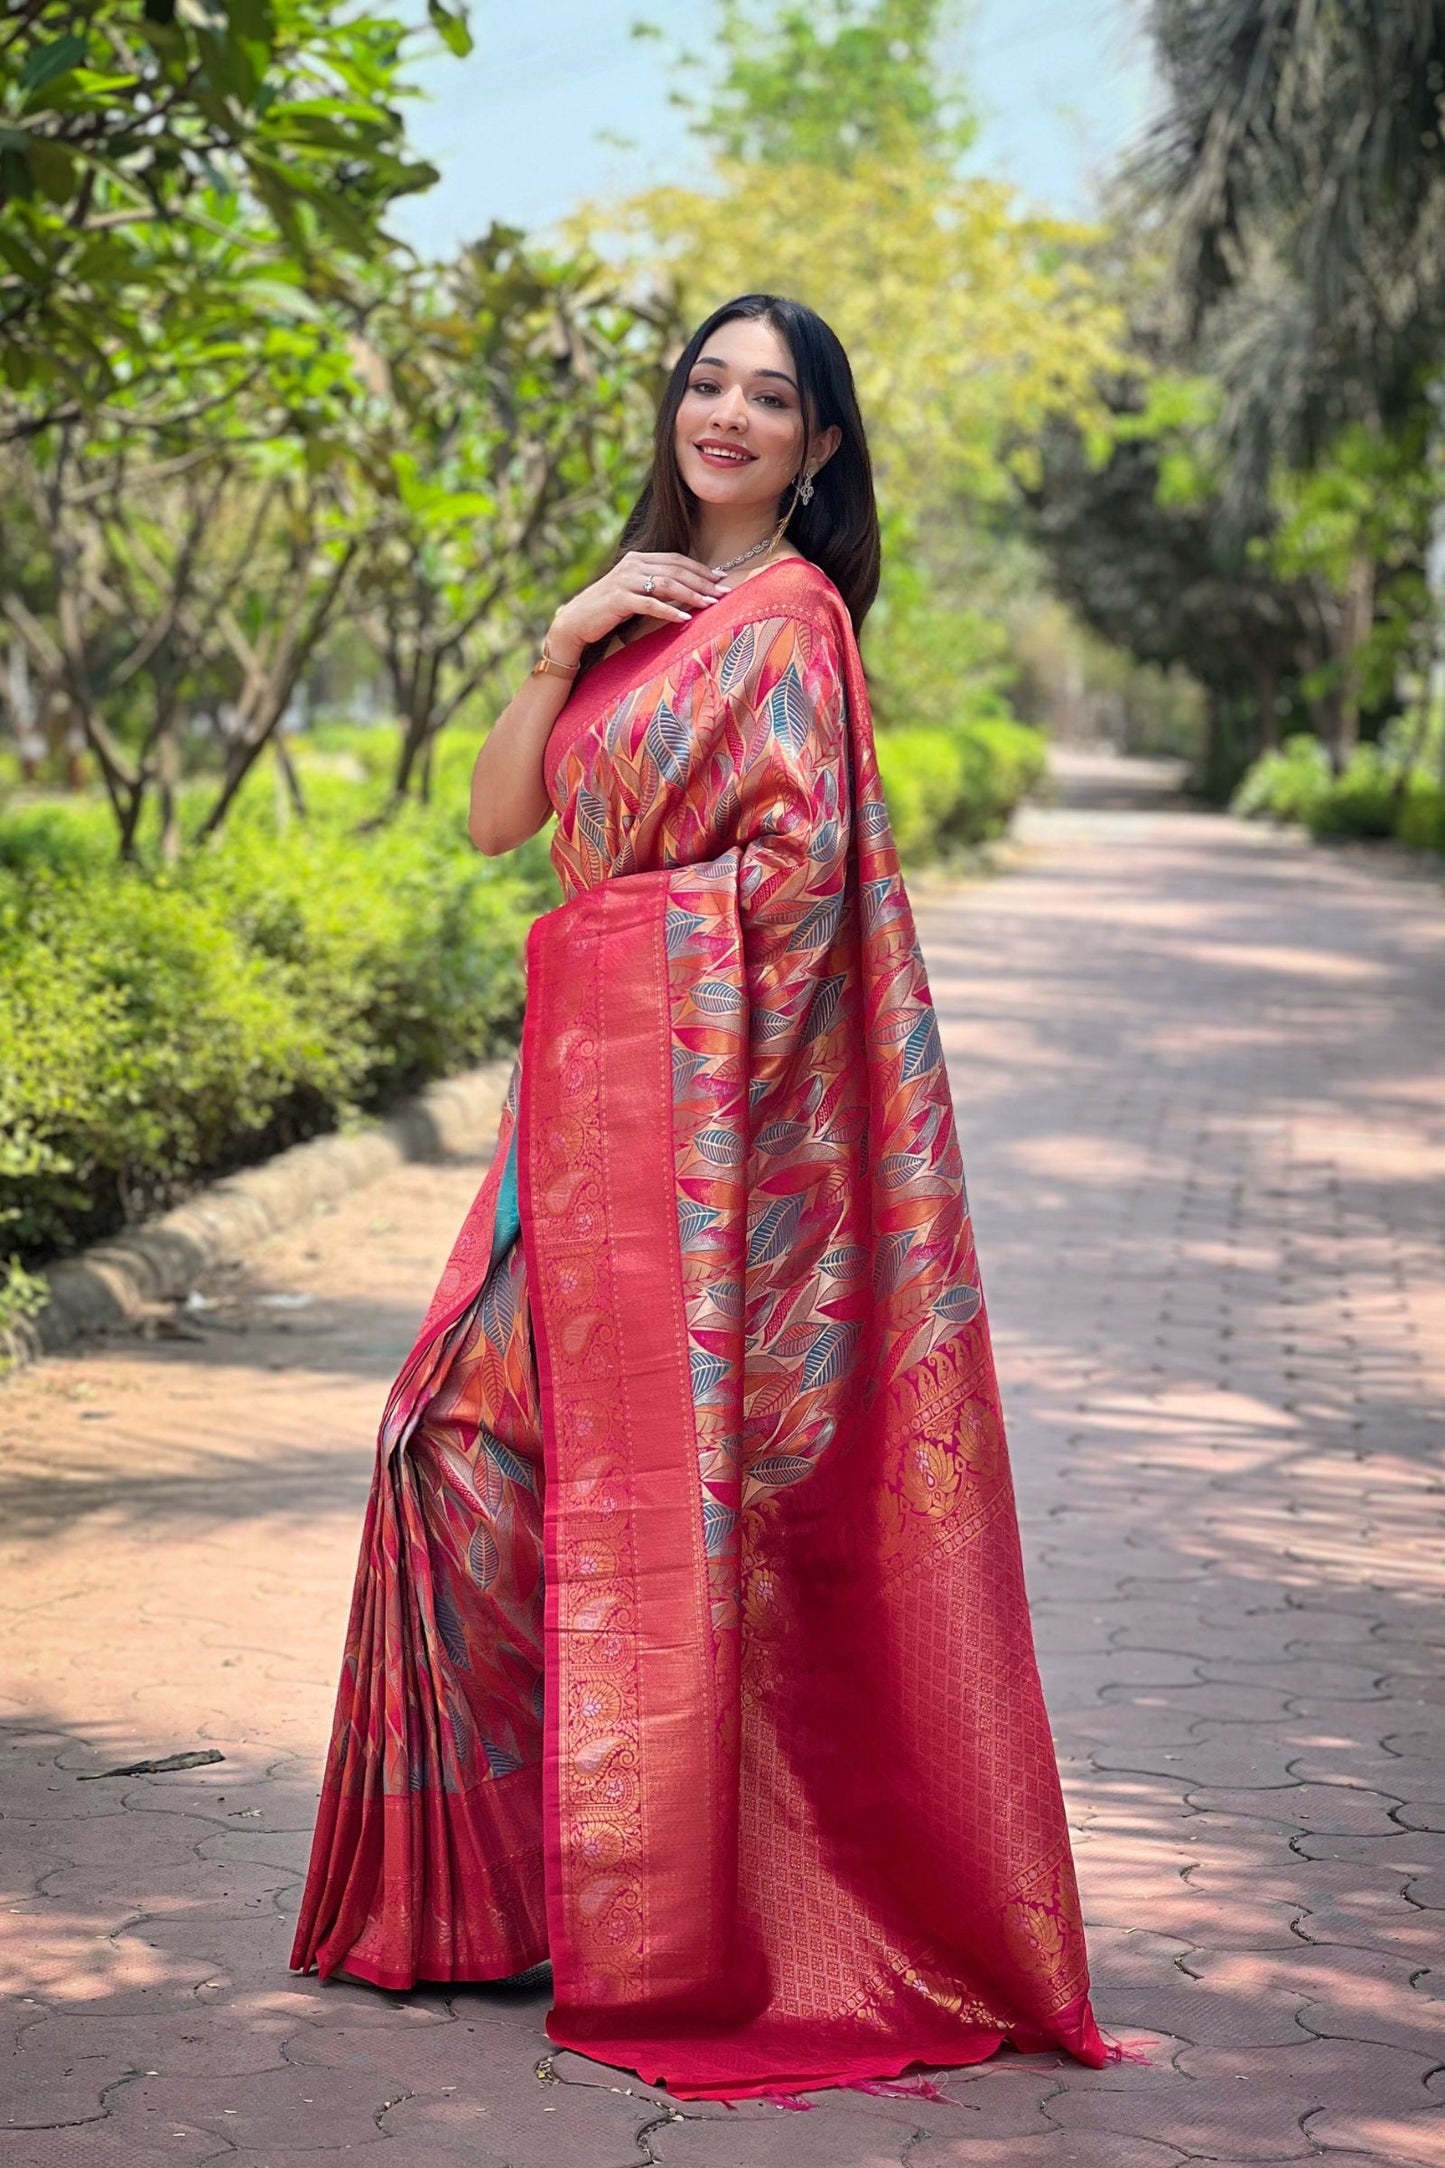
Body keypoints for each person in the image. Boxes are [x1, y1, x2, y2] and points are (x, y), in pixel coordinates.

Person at [291, 292, 1110, 2100]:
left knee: (513, 1469)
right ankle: (499, 1898)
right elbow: (502, 822)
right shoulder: (642, 611)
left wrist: (633, 951)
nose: (726, 415)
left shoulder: (793, 622)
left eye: (772, 398)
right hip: (577, 1124)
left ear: (821, 449)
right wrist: (557, 638)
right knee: (452, 1453)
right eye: (706, 383)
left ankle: (624, 1911)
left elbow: (799, 890)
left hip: (681, 1134)